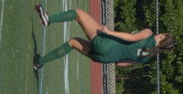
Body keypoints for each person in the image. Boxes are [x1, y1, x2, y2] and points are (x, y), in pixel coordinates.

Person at [33, 5, 175, 71]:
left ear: (163, 36)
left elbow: (132, 38)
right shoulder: (147, 56)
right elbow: (119, 64)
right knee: (73, 43)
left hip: (107, 44)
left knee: (78, 13)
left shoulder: (149, 33)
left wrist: (109, 33)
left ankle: (48, 19)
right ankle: (39, 62)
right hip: (105, 58)